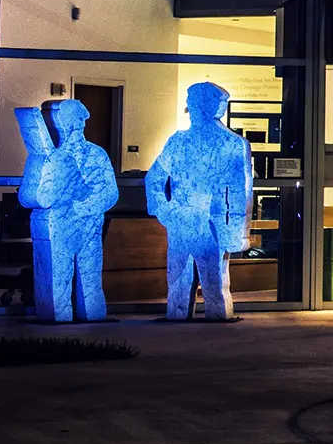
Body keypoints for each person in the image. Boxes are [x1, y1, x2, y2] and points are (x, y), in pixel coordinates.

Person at [145, 81, 253, 321]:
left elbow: (240, 192)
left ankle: (212, 315)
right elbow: (154, 179)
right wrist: (164, 211)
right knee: (179, 279)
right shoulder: (178, 142)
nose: (188, 109)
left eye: (192, 105)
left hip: (212, 224)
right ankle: (179, 313)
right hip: (183, 222)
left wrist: (237, 232)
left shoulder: (232, 145)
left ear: (208, 108)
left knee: (214, 280)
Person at [16, 98, 119, 322]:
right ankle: (58, 316)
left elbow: (110, 192)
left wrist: (85, 205)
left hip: (88, 226)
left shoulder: (96, 154)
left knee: (90, 277)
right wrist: (51, 177)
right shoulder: (46, 159)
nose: (77, 124)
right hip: (57, 225)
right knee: (57, 278)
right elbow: (29, 198)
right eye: (71, 120)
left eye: (79, 119)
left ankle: (92, 314)